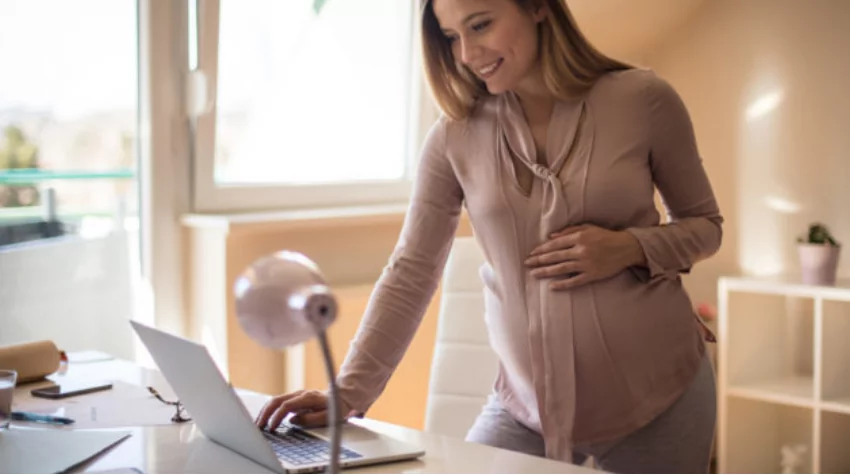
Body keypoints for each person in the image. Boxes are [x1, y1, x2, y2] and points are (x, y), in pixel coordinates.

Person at [256, 0, 723, 472]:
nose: (466, 53)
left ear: (538, 7)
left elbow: (705, 226)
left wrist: (628, 248)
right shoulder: (453, 136)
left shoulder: (643, 99)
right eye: (452, 36)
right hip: (525, 412)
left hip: (661, 400)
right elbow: (411, 271)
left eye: (480, 25)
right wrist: (347, 393)